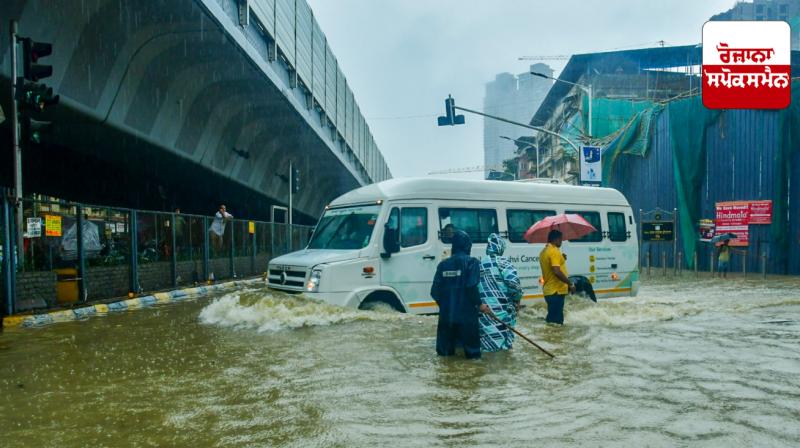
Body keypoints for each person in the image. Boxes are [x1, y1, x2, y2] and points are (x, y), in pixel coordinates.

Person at [430, 230, 489, 359]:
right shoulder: (472, 263)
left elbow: (434, 291)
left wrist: (446, 305)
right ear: (468, 246)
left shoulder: (442, 265)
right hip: (467, 319)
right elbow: (471, 286)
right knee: (473, 357)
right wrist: (480, 305)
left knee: (444, 357)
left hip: (446, 319)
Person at [477, 233, 523, 352]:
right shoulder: (504, 263)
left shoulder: (478, 264)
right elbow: (514, 285)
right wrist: (517, 300)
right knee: (503, 348)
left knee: (487, 347)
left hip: (484, 313)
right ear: (501, 247)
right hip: (502, 313)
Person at [539, 229, 575, 325]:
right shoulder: (554, 251)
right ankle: (556, 339)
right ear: (556, 239)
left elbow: (551, 267)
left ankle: (549, 339)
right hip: (556, 291)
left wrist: (561, 258)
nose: (561, 242)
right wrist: (570, 283)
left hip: (549, 291)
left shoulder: (544, 251)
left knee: (552, 321)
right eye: (561, 239)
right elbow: (556, 271)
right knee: (557, 322)